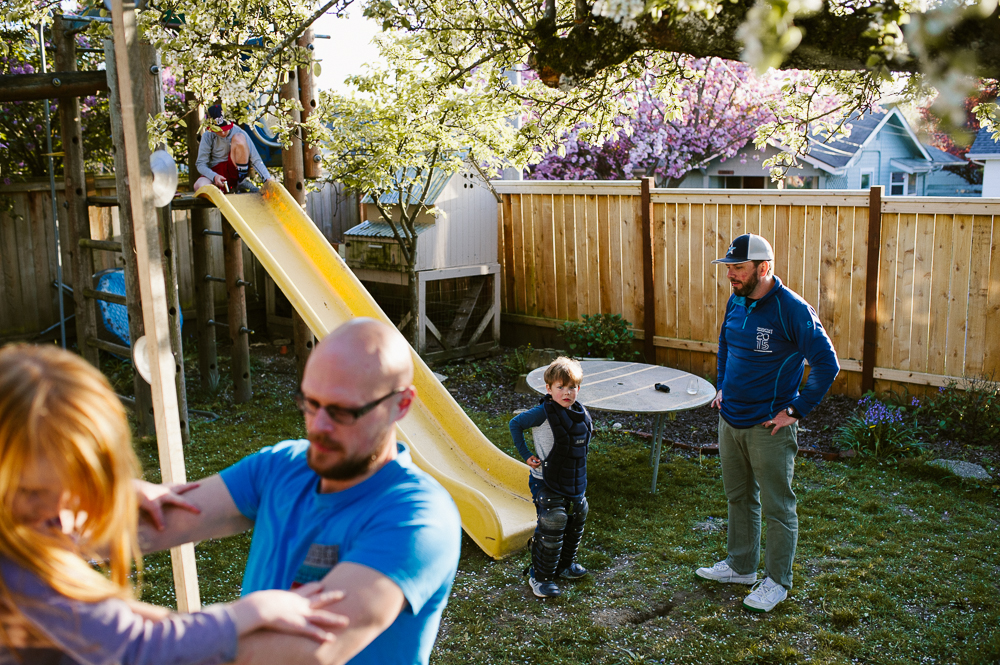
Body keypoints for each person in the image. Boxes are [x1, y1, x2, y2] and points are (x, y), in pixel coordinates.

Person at [140, 318, 462, 665]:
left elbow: (304, 652)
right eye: (310, 402)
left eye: (342, 411)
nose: (318, 427)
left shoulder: (418, 518)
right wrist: (93, 508)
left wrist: (115, 633)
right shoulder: (281, 467)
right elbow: (152, 524)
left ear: (400, 404)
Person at [0, 344, 348, 665]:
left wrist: (121, 491)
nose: (62, 516)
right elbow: (143, 647)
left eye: (81, 488)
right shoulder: (23, 573)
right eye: (32, 493)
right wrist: (251, 611)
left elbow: (110, 616)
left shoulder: (26, 527)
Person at [696, 233, 839, 613]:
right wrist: (723, 385)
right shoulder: (737, 300)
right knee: (738, 497)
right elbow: (726, 343)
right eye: (728, 267)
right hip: (731, 419)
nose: (731, 275)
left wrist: (795, 411)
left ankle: (777, 581)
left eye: (738, 268)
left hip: (769, 427)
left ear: (765, 267)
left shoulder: (791, 309)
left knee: (778, 506)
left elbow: (827, 363)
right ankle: (741, 566)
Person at [508, 357, 593, 599]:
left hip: (572, 479)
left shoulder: (581, 414)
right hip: (544, 479)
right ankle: (540, 577)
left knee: (578, 513)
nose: (566, 393)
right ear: (548, 388)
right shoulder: (541, 413)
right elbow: (515, 424)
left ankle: (566, 565)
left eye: (572, 387)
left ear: (579, 388)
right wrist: (526, 455)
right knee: (554, 519)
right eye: (560, 387)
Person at [193, 104, 272, 194]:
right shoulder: (208, 135)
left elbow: (255, 159)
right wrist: (214, 176)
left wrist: (267, 178)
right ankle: (220, 189)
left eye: (225, 128)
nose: (222, 132)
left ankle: (241, 182)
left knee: (239, 138)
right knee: (199, 186)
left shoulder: (238, 131)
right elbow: (201, 164)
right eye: (218, 129)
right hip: (216, 172)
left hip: (234, 169)